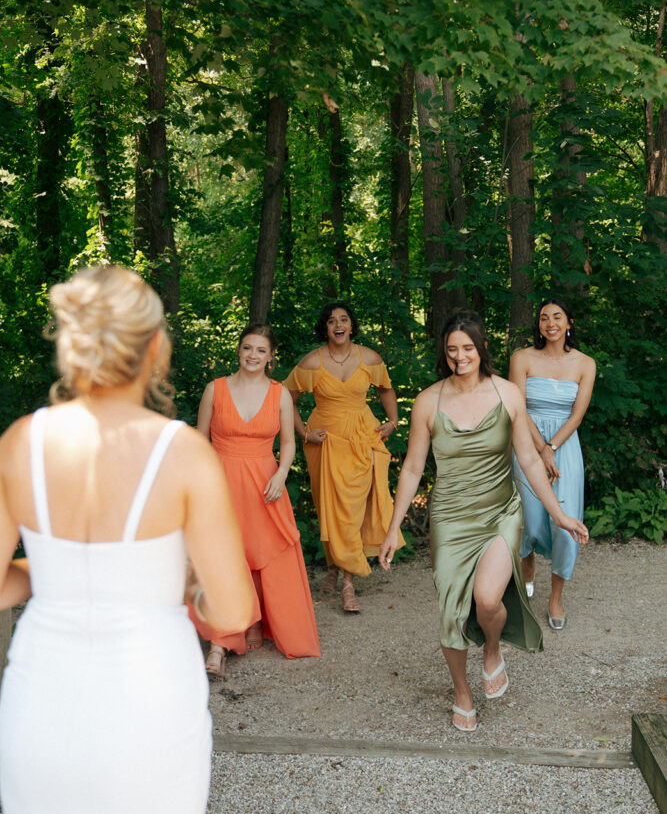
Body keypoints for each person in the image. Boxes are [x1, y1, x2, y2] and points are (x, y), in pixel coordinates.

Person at [0, 266, 255, 814]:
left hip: (41, 697)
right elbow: (233, 609)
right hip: (149, 695)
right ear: (155, 348)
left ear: (69, 344)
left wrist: (52, 576)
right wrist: (175, 585)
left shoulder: (17, 445)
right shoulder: (182, 453)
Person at [379, 309, 588, 733]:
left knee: (488, 599)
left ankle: (492, 649)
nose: (460, 356)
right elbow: (412, 470)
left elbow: (529, 459)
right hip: (451, 519)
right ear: (444, 351)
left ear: (482, 348)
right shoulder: (427, 401)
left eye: (468, 348)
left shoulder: (508, 394)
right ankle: (461, 692)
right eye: (452, 349)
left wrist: (559, 513)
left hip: (499, 512)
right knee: (452, 613)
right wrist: (392, 527)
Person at [193, 324, 320, 673]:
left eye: (260, 351)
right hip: (221, 481)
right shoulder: (214, 389)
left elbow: (290, 443)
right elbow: (199, 441)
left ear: (270, 357)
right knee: (223, 559)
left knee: (262, 555)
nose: (252, 355)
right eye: (247, 348)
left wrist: (281, 474)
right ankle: (219, 646)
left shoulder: (279, 393)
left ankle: (255, 620)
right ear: (238, 350)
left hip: (266, 483)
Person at [284, 302, 404, 614]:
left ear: (352, 325)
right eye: (331, 321)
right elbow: (285, 399)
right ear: (324, 328)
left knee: (352, 509)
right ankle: (334, 566)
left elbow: (386, 390)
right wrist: (303, 434)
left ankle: (348, 583)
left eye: (344, 319)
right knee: (330, 507)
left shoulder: (369, 358)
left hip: (363, 437)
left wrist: (392, 422)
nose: (338, 325)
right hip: (325, 441)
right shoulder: (312, 362)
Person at [509, 297, 596, 629]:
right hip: (526, 440)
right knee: (530, 520)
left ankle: (556, 597)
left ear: (569, 323)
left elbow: (578, 414)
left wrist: (553, 447)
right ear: (539, 324)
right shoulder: (522, 358)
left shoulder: (585, 363)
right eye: (544, 318)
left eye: (557, 317)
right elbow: (517, 407)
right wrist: (540, 448)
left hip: (565, 445)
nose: (550, 323)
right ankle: (527, 563)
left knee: (566, 522)